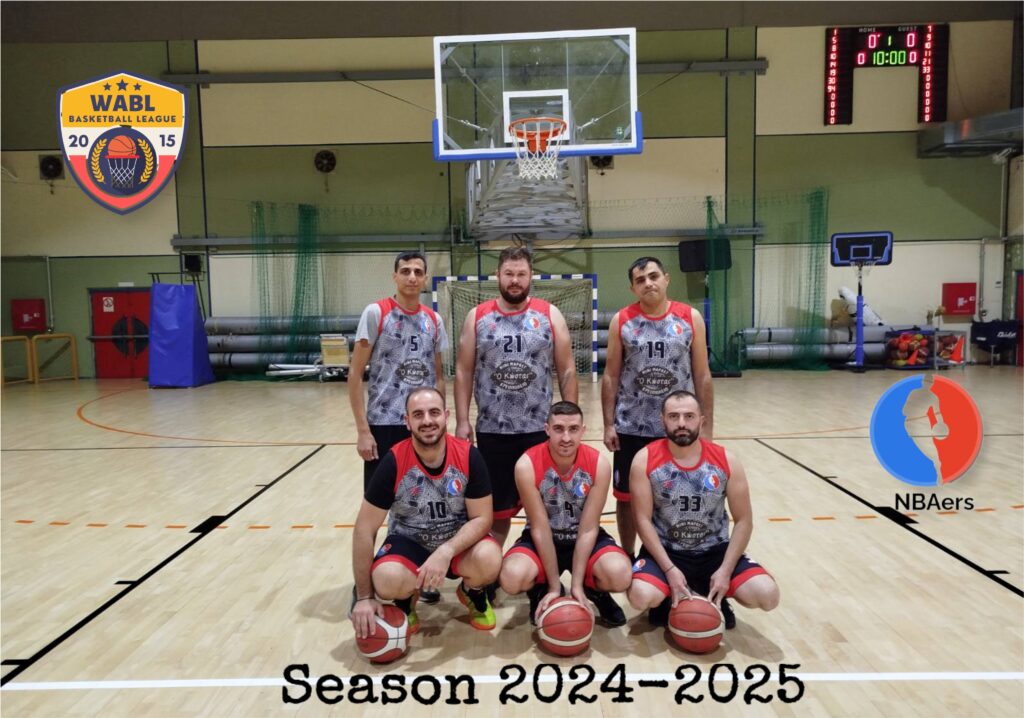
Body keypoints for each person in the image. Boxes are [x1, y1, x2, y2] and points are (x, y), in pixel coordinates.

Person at [350, 387, 502, 639]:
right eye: (418, 415)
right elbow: (364, 529)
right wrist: (365, 597)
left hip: (456, 544)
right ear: (407, 421)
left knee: (490, 557)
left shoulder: (468, 455)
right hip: (409, 542)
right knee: (386, 579)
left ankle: (473, 592)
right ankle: (405, 599)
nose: (427, 421)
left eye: (434, 412)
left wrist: (446, 551)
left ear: (446, 416)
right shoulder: (393, 461)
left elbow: (483, 518)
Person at [454, 246, 578, 550]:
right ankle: (488, 566)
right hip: (492, 430)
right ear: (497, 275)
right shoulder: (478, 316)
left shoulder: (549, 314)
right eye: (509, 273)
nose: (515, 280)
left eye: (521, 274)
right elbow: (463, 371)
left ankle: (539, 566)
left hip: (539, 430)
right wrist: (462, 420)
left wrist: (569, 419)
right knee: (496, 513)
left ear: (531, 276)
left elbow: (567, 369)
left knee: (545, 509)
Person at [626, 390, 779, 630]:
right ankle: (667, 598)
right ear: (662, 420)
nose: (681, 423)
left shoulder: (726, 460)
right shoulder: (644, 460)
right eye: (674, 416)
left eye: (689, 416)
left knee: (768, 595)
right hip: (668, 551)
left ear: (701, 420)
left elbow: (744, 521)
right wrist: (669, 569)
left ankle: (715, 594)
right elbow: (642, 521)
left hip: (715, 552)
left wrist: (726, 570)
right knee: (640, 596)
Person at [349, 251, 448, 603]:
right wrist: (363, 430)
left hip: (423, 426)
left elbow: (438, 374)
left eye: (418, 271)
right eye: (405, 271)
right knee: (376, 509)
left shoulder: (434, 320)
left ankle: (420, 577)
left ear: (425, 278)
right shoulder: (376, 313)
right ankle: (364, 582)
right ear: (394, 276)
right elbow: (355, 374)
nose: (412, 277)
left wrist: (442, 418)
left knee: (422, 503)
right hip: (385, 423)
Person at [601, 256, 714, 560]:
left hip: (679, 427)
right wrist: (609, 424)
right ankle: (627, 555)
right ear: (633, 288)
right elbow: (611, 376)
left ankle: (673, 556)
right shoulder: (622, 320)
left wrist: (707, 426)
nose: (648, 283)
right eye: (640, 280)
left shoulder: (689, 317)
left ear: (666, 278)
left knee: (677, 493)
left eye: (653, 276)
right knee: (626, 498)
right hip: (631, 426)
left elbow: (702, 375)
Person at [498, 401, 631, 627]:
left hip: (582, 537)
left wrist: (576, 585)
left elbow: (588, 529)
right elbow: (540, 529)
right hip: (544, 539)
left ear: (583, 431)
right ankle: (542, 588)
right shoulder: (526, 465)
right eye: (558, 429)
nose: (566, 437)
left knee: (620, 574)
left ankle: (592, 590)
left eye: (573, 429)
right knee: (511, 577)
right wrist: (553, 586)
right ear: (547, 429)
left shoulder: (598, 464)